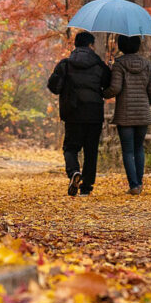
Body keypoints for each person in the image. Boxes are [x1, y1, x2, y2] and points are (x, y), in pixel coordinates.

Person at [47, 31, 111, 196]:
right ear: (91, 45)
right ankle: (86, 187)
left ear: (75, 45)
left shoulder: (65, 64)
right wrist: (109, 68)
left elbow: (54, 87)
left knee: (70, 148)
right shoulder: (99, 65)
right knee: (91, 151)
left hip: (73, 112)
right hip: (94, 113)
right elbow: (108, 84)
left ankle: (74, 172)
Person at [104, 35, 151, 195]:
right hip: (142, 113)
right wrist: (146, 104)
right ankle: (139, 184)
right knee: (138, 148)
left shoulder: (119, 64)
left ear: (121, 45)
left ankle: (133, 185)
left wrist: (103, 93)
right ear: (137, 46)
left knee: (128, 150)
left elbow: (115, 89)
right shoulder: (146, 64)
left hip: (125, 114)